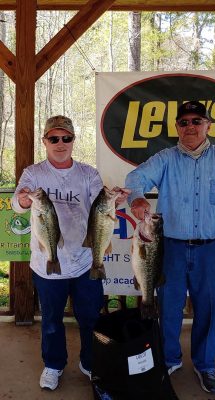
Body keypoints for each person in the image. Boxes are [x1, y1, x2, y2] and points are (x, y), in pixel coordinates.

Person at [125, 101, 215, 394]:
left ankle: (205, 365)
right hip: (171, 248)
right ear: (177, 128)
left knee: (207, 308)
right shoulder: (165, 158)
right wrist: (137, 198)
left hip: (210, 249)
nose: (190, 126)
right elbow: (136, 178)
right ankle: (169, 359)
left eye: (197, 121)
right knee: (168, 307)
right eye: (184, 122)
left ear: (208, 125)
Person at [11, 115, 129, 391]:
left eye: (66, 138)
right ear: (45, 141)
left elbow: (101, 203)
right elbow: (18, 204)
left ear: (74, 140)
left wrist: (115, 199)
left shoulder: (88, 174)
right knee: (51, 321)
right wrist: (25, 199)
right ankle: (53, 365)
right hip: (47, 262)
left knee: (90, 318)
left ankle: (90, 363)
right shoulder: (33, 173)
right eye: (54, 138)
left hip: (86, 261)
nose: (60, 143)